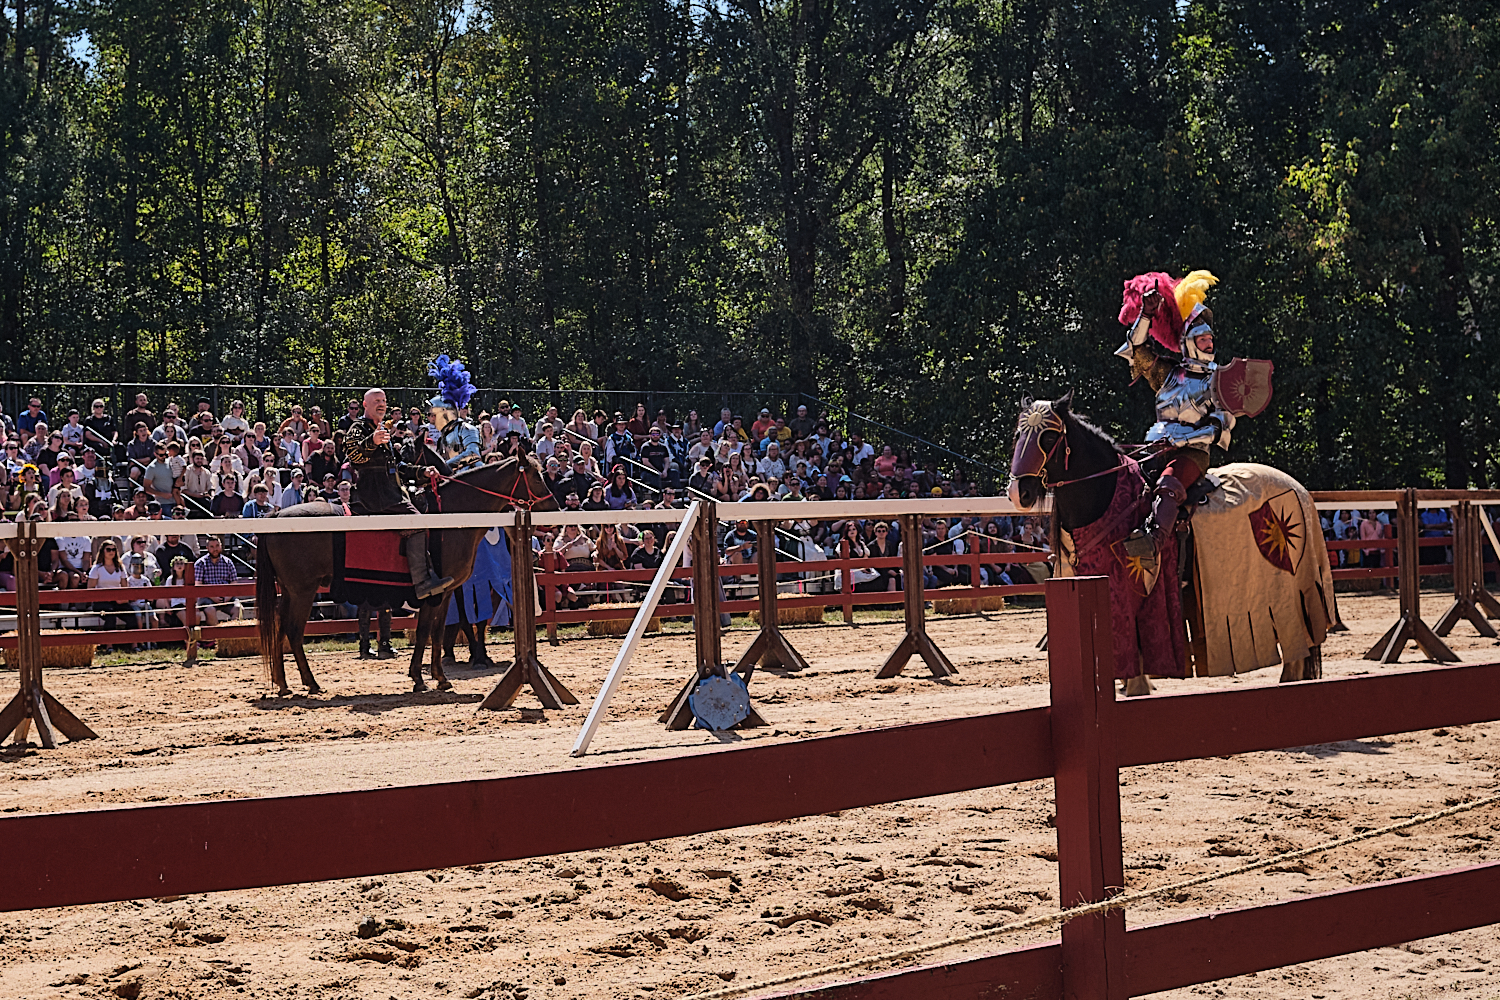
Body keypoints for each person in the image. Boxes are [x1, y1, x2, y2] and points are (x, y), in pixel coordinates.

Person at [1115, 270, 1237, 557]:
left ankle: (1154, 544)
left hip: (1192, 453)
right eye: (1202, 339)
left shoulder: (1219, 379)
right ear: (1189, 343)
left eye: (1210, 339)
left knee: (1168, 485)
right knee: (1123, 483)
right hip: (1155, 447)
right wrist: (1146, 314)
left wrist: (1184, 440)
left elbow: (1222, 425)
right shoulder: (1167, 374)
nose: (1209, 343)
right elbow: (1136, 349)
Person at [345, 387, 453, 598]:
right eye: (376, 400)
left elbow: (397, 467)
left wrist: (422, 471)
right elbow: (353, 456)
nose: (381, 404)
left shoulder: (382, 431)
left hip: (390, 493)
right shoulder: (358, 428)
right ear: (365, 405)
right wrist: (372, 441)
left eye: (383, 400)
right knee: (417, 523)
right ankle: (422, 583)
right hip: (375, 496)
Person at [428, 355, 481, 471]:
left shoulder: (466, 429)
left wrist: (444, 466)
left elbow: (473, 454)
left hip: (471, 475)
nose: (432, 419)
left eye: (434, 415)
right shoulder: (444, 436)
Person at [192, 536, 241, 626]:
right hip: (207, 597)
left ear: (221, 546)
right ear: (207, 548)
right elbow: (198, 585)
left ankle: (232, 633)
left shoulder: (228, 562)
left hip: (226, 596)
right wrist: (212, 596)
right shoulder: (200, 563)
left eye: (217, 546)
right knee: (210, 610)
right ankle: (216, 633)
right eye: (212, 546)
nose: (215, 549)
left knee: (238, 608)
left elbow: (234, 582)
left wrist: (227, 597)